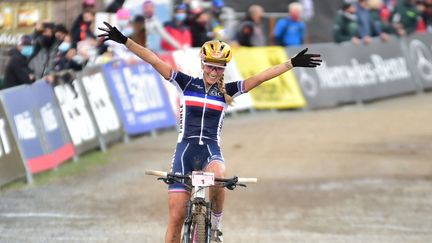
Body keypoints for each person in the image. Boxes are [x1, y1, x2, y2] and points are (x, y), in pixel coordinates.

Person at [98, 21, 321, 243]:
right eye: (210, 66)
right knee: (175, 217)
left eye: (219, 67)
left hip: (210, 151)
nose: (214, 72)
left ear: (224, 69)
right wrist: (125, 41)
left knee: (219, 176)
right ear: (202, 64)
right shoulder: (185, 84)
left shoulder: (228, 91)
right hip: (185, 151)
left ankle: (215, 226)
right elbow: (154, 59)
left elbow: (261, 77)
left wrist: (291, 63)